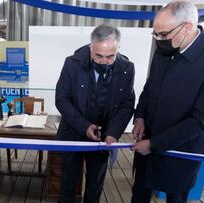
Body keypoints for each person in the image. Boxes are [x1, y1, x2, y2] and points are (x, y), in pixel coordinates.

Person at [131, 1, 204, 202]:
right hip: (146, 146)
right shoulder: (165, 47)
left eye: (164, 35)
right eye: (156, 34)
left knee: (175, 198)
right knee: (138, 195)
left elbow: (200, 120)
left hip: (181, 153)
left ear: (187, 27)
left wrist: (154, 144)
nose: (159, 40)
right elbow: (149, 88)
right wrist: (140, 117)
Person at [55, 24, 135, 203]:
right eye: (99, 56)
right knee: (68, 182)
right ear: (91, 47)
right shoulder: (71, 63)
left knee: (95, 184)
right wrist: (84, 126)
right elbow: (61, 99)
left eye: (110, 56)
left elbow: (127, 105)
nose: (104, 61)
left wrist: (113, 133)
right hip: (73, 133)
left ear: (118, 49)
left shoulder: (127, 68)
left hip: (102, 138)